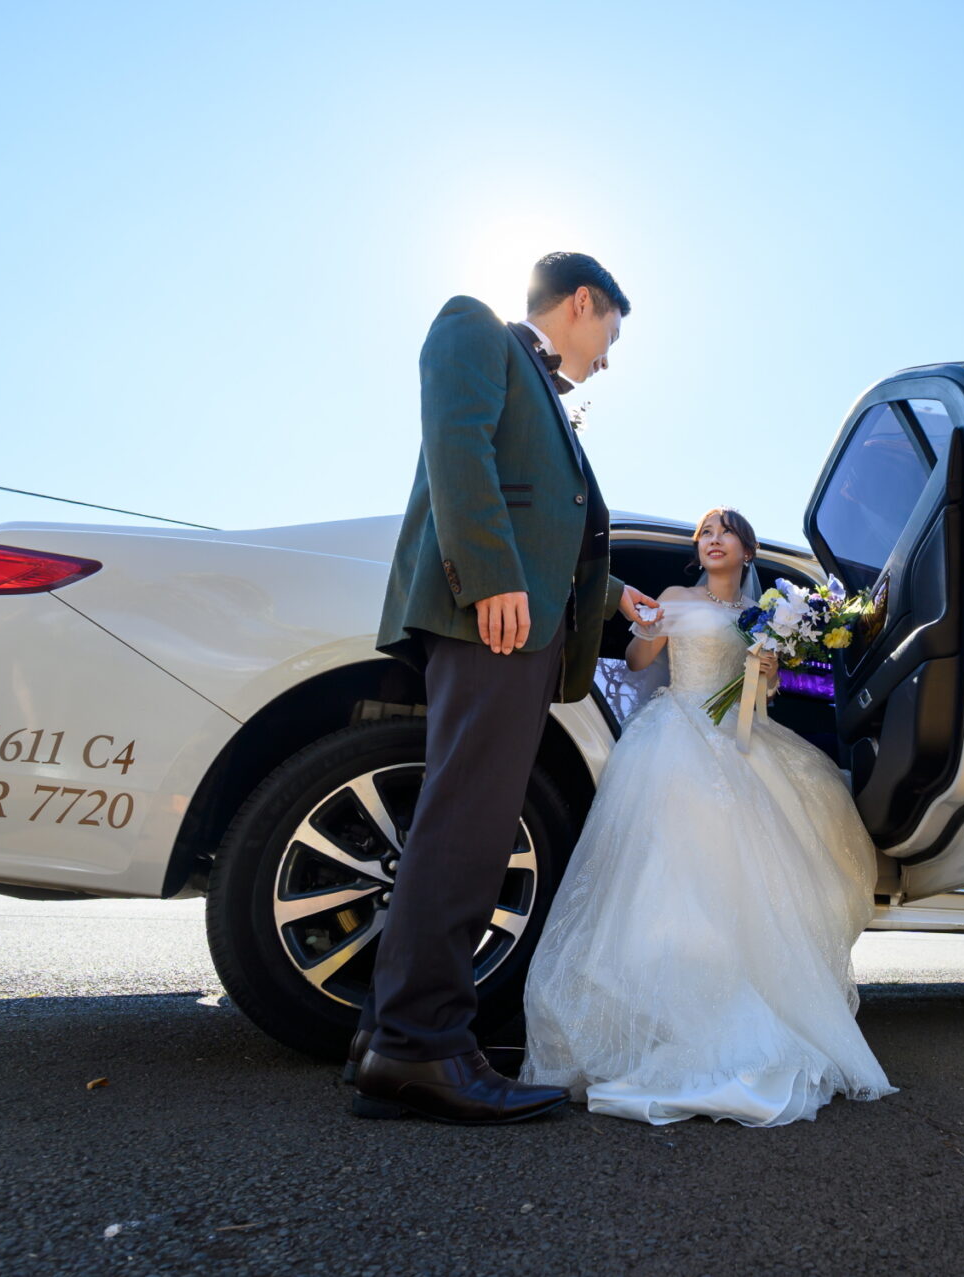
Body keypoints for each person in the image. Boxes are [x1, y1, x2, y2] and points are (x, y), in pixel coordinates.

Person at [349, 252, 659, 1124]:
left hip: (520, 619)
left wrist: (611, 596)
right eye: (613, 331)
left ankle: (384, 1041)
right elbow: (457, 446)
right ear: (585, 300)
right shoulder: (474, 327)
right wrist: (489, 577)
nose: (610, 356)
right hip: (493, 619)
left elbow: (545, 527)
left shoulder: (543, 389)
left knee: (461, 824)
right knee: (468, 828)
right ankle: (423, 1044)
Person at [520, 508, 895, 1126]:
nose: (713, 540)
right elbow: (638, 662)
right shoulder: (675, 595)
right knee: (669, 869)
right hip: (675, 733)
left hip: (741, 737)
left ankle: (740, 988)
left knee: (751, 871)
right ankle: (658, 1003)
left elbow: (761, 696)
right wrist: (649, 630)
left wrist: (769, 670)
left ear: (747, 550)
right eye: (706, 534)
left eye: (726, 532)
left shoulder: (765, 615)